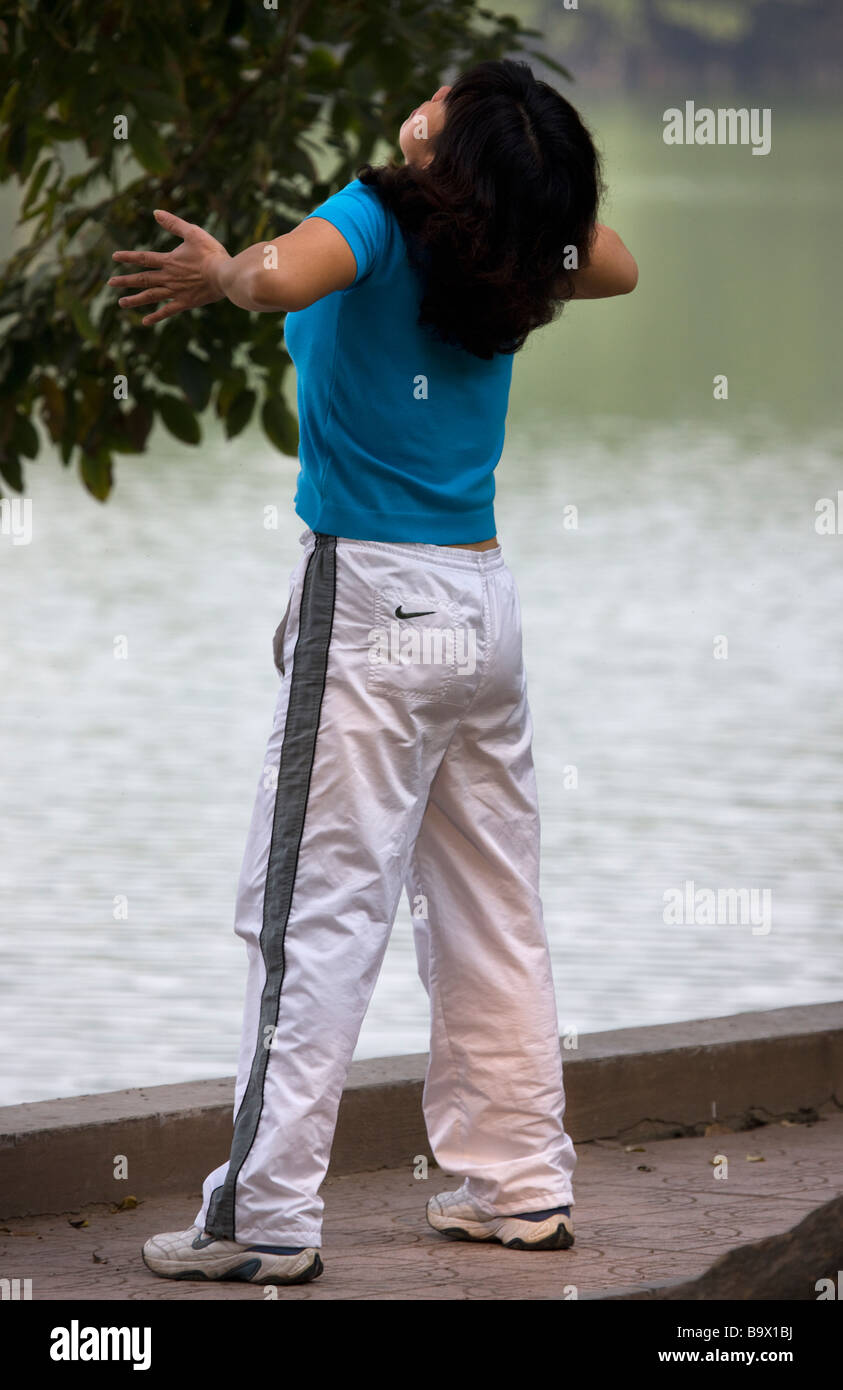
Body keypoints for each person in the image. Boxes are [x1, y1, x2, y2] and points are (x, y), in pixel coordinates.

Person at [109, 58, 637, 1287]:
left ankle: (263, 1217)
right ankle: (518, 1188)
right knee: (494, 904)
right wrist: (532, 202)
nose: (428, 95)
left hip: (373, 605)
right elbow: (613, 262)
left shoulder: (381, 212)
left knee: (307, 914)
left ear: (448, 144)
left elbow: (282, 275)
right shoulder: (516, 241)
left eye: (447, 96)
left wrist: (224, 271)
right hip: (481, 608)